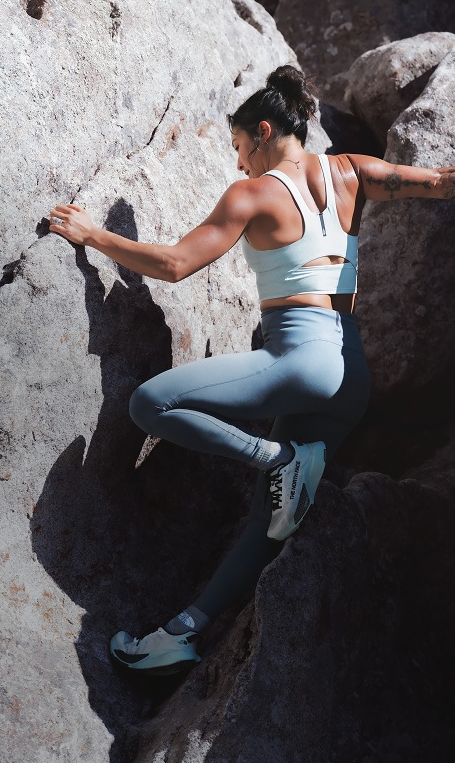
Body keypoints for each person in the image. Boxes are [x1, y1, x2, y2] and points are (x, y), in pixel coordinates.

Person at [49, 65, 455, 674]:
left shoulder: (254, 194)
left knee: (151, 404)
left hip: (299, 360)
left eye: (240, 146)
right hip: (350, 376)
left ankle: (279, 460)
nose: (239, 164)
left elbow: (175, 264)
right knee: (272, 520)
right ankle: (180, 634)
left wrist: (94, 236)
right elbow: (444, 183)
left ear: (264, 132)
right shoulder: (354, 171)